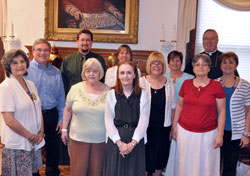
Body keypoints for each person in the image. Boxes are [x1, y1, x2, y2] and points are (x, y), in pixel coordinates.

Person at [166, 54, 226, 176]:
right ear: (193, 68)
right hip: (185, 132)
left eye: (204, 64)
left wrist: (220, 134)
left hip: (208, 134)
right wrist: (174, 127)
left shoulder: (216, 86)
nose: (200, 67)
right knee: (184, 164)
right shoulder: (186, 84)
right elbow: (179, 106)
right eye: (197, 64)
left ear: (209, 68)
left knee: (206, 166)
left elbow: (222, 111)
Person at [0, 49, 45, 176]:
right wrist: (30, 136)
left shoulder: (30, 84)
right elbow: (9, 121)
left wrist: (40, 132)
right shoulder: (5, 87)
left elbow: (38, 109)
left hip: (33, 142)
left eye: (22, 61)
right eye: (14, 63)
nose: (20, 65)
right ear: (8, 66)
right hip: (17, 144)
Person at [61, 58, 109, 176]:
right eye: (88, 71)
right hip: (78, 139)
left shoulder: (109, 91)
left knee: (96, 172)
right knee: (78, 171)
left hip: (100, 139)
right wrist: (64, 129)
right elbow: (67, 109)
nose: (91, 74)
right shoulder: (75, 89)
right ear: (84, 73)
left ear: (100, 73)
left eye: (95, 71)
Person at [26, 39, 65, 176]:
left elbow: (61, 97)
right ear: (33, 52)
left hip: (51, 114)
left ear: (49, 52)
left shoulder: (56, 72)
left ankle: (52, 172)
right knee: (33, 146)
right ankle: (33, 172)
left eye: (46, 50)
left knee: (53, 147)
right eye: (39, 50)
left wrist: (61, 119)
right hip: (32, 115)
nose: (42, 53)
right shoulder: (25, 71)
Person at [104, 60, 150, 176]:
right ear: (118, 75)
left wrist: (132, 144)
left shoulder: (143, 95)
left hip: (135, 140)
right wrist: (120, 143)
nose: (125, 76)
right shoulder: (111, 94)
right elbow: (108, 120)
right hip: (116, 141)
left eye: (129, 73)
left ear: (135, 75)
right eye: (122, 73)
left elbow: (144, 121)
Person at [139, 51, 176, 176]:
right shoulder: (140, 82)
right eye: (153, 62)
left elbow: (173, 108)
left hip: (163, 129)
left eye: (159, 63)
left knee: (159, 161)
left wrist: (173, 129)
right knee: (144, 161)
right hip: (144, 129)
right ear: (149, 65)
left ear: (163, 66)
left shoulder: (170, 84)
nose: (156, 65)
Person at [217, 52, 250, 176]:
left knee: (230, 167)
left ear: (236, 65)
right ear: (220, 65)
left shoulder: (245, 85)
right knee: (213, 165)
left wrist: (246, 134)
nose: (227, 65)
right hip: (216, 131)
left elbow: (249, 111)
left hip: (235, 134)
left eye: (231, 62)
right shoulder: (214, 84)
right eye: (224, 62)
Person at [61, 29, 106, 95]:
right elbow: (62, 83)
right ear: (77, 42)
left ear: (91, 42)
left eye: (87, 40)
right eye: (82, 40)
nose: (85, 43)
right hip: (73, 99)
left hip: (94, 98)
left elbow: (103, 81)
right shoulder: (67, 60)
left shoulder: (99, 60)